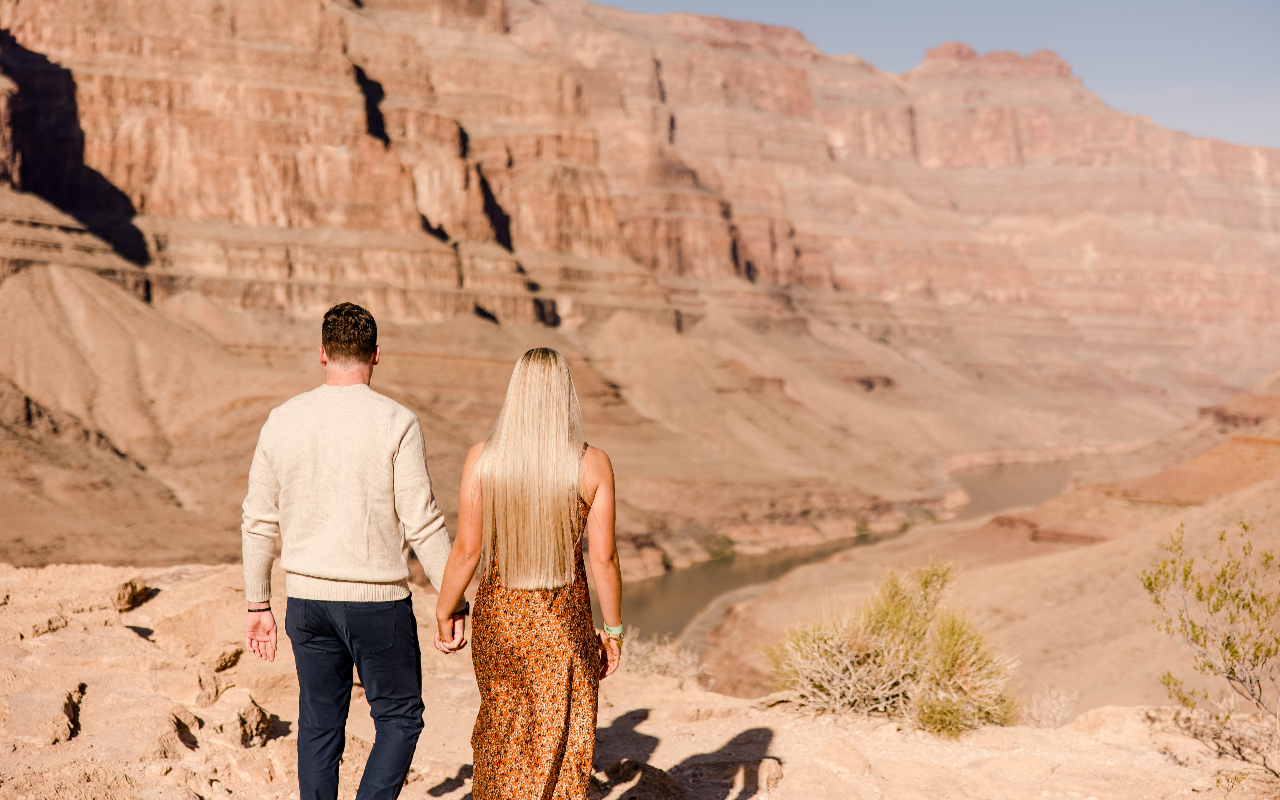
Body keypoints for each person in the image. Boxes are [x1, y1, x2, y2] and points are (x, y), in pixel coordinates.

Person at [241, 302, 466, 800]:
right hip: (379, 604)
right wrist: (453, 602)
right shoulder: (397, 421)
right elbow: (424, 521)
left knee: (320, 725)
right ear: (376, 355)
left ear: (322, 353)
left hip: (306, 603)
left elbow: (258, 521)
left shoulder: (282, 420)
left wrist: (259, 604)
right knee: (400, 720)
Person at [432, 347, 623, 800]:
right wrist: (612, 630)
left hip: (500, 622)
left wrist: (446, 610)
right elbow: (604, 560)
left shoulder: (484, 458)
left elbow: (466, 550)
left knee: (502, 735)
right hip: (563, 626)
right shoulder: (592, 464)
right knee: (561, 747)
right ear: (566, 396)